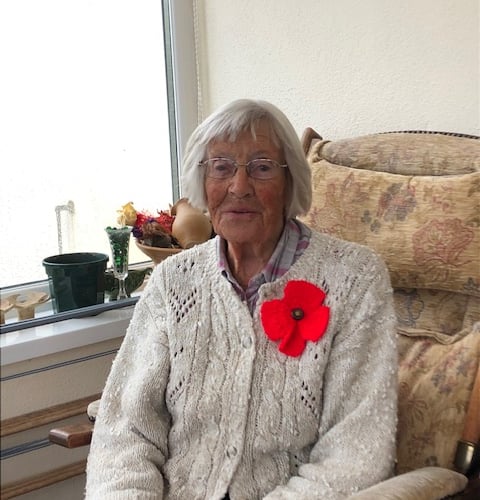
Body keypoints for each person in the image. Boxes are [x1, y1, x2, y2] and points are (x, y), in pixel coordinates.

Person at [85, 99, 398, 499]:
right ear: (203, 183)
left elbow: (355, 454)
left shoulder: (354, 279)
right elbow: (125, 431)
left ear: (291, 184)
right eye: (221, 167)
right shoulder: (172, 281)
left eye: (262, 167)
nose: (238, 186)